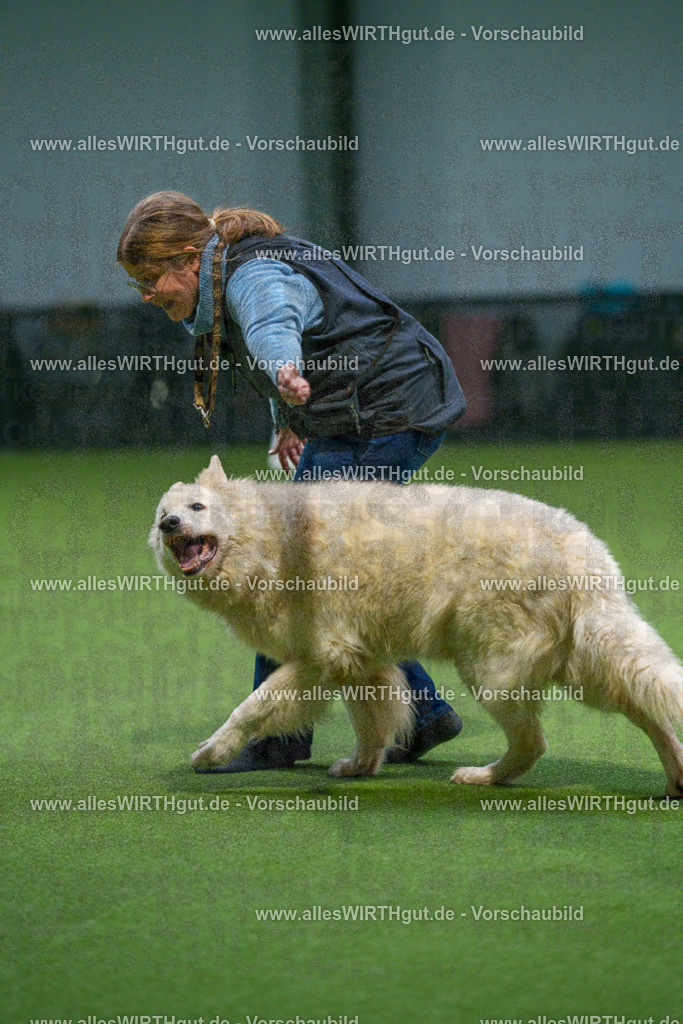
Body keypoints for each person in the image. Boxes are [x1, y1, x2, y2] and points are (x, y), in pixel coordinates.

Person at [118, 190, 467, 772]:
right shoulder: (228, 268)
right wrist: (288, 418)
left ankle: (278, 739)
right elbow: (295, 342)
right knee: (334, 577)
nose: (149, 294)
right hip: (361, 409)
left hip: (389, 411)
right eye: (138, 284)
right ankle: (423, 716)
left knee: (295, 565)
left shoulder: (252, 276)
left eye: (152, 277)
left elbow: (274, 325)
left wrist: (286, 369)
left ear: (188, 256)